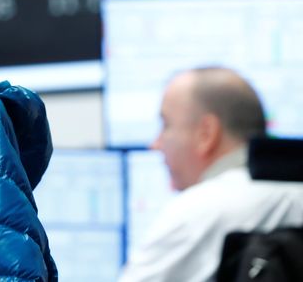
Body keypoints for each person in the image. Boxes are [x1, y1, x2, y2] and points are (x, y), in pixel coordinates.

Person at [119, 66, 303, 282]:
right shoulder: (292, 192)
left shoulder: (199, 210)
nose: (156, 144)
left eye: (166, 125)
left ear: (207, 133)